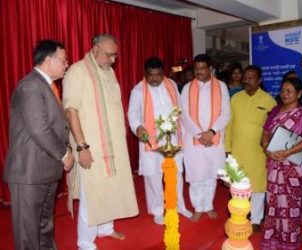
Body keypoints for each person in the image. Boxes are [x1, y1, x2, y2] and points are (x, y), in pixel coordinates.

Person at [62, 33, 138, 249]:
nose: (113, 60)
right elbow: (70, 110)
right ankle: (85, 242)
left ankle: (105, 229)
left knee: (111, 188)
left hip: (113, 147)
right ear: (95, 51)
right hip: (90, 147)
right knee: (92, 194)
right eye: (109, 55)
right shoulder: (77, 72)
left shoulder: (108, 70)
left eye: (115, 55)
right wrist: (82, 146)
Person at [4, 39, 74, 250]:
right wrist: (65, 154)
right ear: (47, 60)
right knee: (28, 234)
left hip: (45, 171)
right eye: (63, 60)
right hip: (29, 174)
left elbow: (57, 127)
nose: (66, 64)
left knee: (44, 227)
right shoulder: (30, 87)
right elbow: (39, 129)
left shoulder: (47, 87)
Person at [128, 57, 192, 225]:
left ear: (163, 73)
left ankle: (179, 206)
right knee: (154, 176)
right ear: (145, 74)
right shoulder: (138, 91)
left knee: (177, 174)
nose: (154, 78)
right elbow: (133, 114)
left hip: (173, 139)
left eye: (158, 74)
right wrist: (137, 127)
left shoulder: (171, 85)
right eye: (151, 75)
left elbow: (180, 110)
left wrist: (184, 134)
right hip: (151, 141)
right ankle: (157, 210)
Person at [261, 78, 302, 250]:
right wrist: (267, 148)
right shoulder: (275, 111)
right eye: (283, 91)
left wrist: (287, 152)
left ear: (299, 93)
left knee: (291, 206)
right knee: (273, 203)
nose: (284, 94)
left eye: (289, 91)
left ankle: (289, 242)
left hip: (294, 169)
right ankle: (272, 240)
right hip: (274, 165)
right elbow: (265, 134)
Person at [225, 65, 276, 232]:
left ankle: (255, 219)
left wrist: (270, 150)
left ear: (259, 80)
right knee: (238, 186)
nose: (246, 80)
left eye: (251, 77)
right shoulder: (235, 98)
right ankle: (240, 214)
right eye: (245, 77)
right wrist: (227, 150)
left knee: (258, 187)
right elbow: (229, 126)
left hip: (258, 153)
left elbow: (274, 129)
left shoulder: (269, 101)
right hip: (237, 151)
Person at [181, 54, 230, 222]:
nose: (199, 71)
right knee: (196, 175)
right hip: (193, 140)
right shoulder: (187, 88)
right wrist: (199, 135)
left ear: (210, 69)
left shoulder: (221, 86)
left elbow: (226, 113)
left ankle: (208, 205)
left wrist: (212, 132)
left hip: (214, 138)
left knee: (210, 174)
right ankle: (198, 207)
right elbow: (184, 115)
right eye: (196, 68)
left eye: (202, 68)